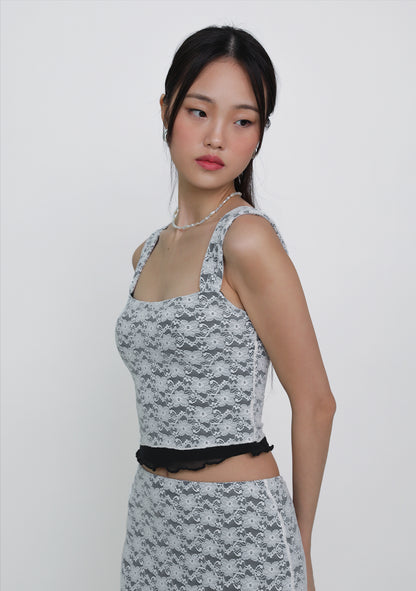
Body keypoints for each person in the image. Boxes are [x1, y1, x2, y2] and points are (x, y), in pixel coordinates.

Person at [115, 24, 336, 591]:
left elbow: (316, 403)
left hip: (240, 534)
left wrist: (300, 550)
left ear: (259, 136)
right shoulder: (146, 254)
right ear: (166, 110)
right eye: (198, 111)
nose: (216, 137)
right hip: (151, 529)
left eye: (243, 121)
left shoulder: (246, 239)